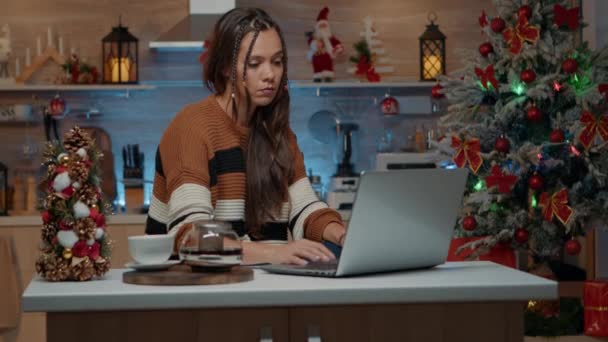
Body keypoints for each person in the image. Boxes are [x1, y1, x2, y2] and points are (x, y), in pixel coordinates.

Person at [146, 8, 347, 265]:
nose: (270, 74)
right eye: (255, 63)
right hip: (194, 291)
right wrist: (274, 253)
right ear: (225, 69)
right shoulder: (191, 127)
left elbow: (305, 209)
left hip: (261, 285)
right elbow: (191, 237)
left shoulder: (278, 133)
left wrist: (344, 236)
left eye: (277, 61)